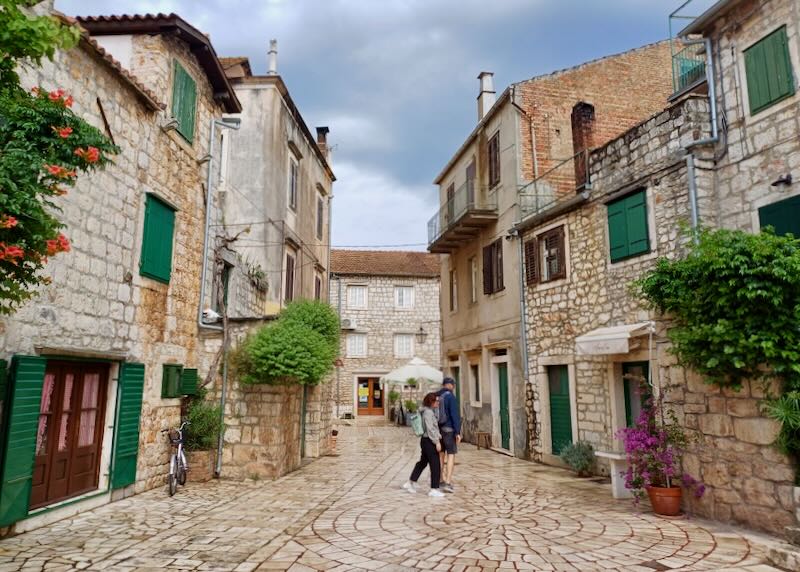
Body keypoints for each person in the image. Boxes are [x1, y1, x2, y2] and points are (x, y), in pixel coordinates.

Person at [402, 392, 444, 497]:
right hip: (429, 441)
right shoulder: (428, 413)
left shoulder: (425, 411)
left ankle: (411, 482)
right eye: (436, 401)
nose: (438, 403)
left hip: (425, 441)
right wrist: (437, 442)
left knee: (423, 462)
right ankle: (434, 489)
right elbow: (430, 429)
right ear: (431, 402)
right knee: (435, 465)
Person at [437, 377, 461, 493]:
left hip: (438, 430)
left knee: (441, 455)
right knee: (451, 455)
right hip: (449, 429)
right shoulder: (450, 397)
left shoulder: (436, 396)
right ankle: (447, 482)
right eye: (453, 385)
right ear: (450, 385)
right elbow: (454, 415)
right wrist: (457, 432)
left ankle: (440, 479)